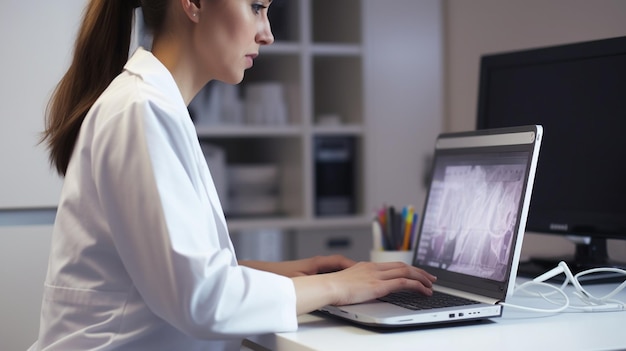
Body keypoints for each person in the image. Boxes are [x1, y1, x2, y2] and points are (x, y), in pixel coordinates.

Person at [30, 0, 437, 350]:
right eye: (256, 7)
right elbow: (201, 300)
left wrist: (295, 272)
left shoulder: (156, 106)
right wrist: (342, 287)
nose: (268, 34)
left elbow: (176, 275)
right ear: (193, 3)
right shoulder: (141, 109)